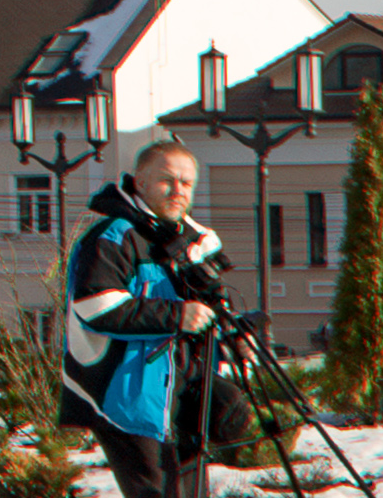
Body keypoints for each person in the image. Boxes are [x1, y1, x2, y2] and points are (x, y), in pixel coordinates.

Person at [62, 138, 249, 498]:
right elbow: (95, 308)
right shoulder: (112, 237)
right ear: (140, 182)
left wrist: (234, 334)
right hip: (127, 393)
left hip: (186, 386)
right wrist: (177, 315)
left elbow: (209, 308)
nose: (178, 190)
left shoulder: (190, 241)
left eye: (187, 183)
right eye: (167, 180)